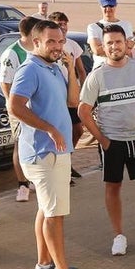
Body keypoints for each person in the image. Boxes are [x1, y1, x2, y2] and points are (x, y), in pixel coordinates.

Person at [78, 25, 135, 256]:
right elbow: (83, 111)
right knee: (113, 187)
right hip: (112, 143)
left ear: (126, 43)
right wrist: (102, 140)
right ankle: (118, 236)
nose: (114, 46)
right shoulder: (97, 76)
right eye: (109, 43)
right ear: (103, 46)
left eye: (118, 42)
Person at [8, 21, 86, 269]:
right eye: (51, 41)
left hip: (58, 151)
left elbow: (73, 102)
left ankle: (44, 264)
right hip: (44, 153)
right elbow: (14, 106)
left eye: (60, 41)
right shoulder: (30, 69)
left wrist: (70, 69)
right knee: (55, 214)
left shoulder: (54, 67)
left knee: (46, 209)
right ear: (36, 42)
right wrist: (49, 128)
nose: (57, 46)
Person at [0, 16, 38, 202]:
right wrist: (12, 104)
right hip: (19, 107)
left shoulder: (37, 49)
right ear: (31, 33)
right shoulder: (12, 53)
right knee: (20, 143)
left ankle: (33, 178)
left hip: (36, 106)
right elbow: (5, 82)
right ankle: (22, 184)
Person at [47, 12, 89, 166]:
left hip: (71, 94)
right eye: (59, 24)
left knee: (78, 130)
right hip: (56, 97)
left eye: (65, 24)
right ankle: (59, 163)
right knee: (59, 131)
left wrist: (84, 93)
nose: (63, 27)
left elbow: (81, 70)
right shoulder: (48, 48)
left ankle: (67, 160)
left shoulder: (72, 45)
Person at [86, 0, 133, 67]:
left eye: (111, 6)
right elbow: (97, 51)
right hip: (101, 69)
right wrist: (121, 46)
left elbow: (128, 51)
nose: (108, 9)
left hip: (122, 69)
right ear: (100, 5)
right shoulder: (93, 27)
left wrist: (105, 48)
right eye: (105, 6)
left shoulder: (126, 25)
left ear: (116, 5)